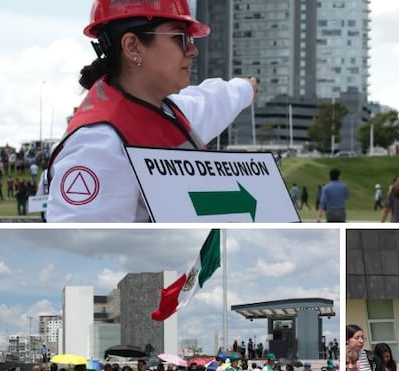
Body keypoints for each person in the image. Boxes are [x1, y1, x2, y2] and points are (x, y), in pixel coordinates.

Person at [47, 0, 256, 222]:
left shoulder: (169, 110)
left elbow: (215, 99)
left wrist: (247, 87)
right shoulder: (97, 145)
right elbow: (85, 246)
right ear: (132, 47)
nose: (193, 50)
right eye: (181, 38)